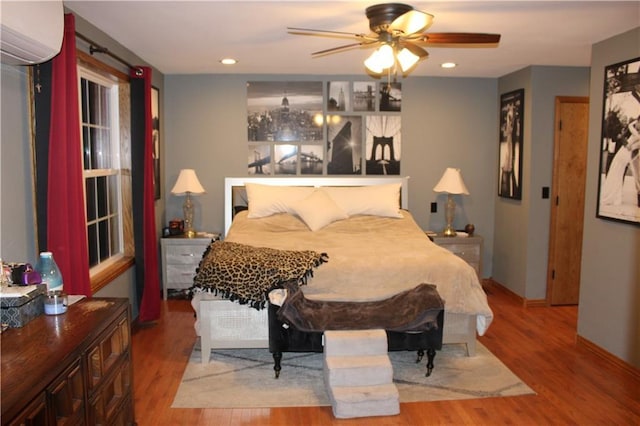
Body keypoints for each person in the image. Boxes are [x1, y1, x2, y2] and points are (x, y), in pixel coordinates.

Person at [601, 116, 640, 206]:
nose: (637, 125)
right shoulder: (637, 134)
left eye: (638, 123)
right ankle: (616, 197)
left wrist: (635, 121)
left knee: (615, 173)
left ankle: (612, 196)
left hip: (623, 154)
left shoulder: (637, 134)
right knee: (617, 175)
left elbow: (630, 126)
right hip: (625, 154)